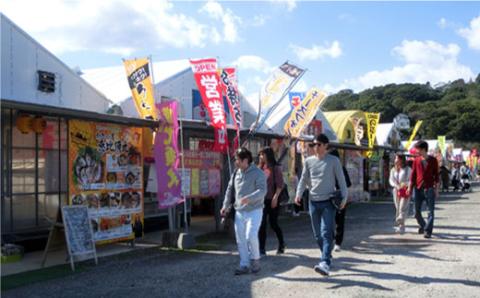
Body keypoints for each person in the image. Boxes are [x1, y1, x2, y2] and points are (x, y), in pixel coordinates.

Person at [295, 134, 348, 276]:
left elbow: (342, 181)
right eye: (313, 145)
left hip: (328, 203)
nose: (315, 147)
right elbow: (303, 179)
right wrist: (298, 194)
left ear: (326, 146)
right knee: (317, 235)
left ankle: (325, 262)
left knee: (326, 232)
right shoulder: (308, 161)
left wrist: (344, 198)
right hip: (313, 202)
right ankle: (327, 255)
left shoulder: (334, 161)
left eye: (318, 144)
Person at [221, 147, 267, 275]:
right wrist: (225, 205)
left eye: (237, 160)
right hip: (239, 211)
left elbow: (262, 191)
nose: (235, 162)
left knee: (250, 235)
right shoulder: (236, 173)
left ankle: (256, 260)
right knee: (240, 239)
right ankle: (244, 264)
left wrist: (250, 198)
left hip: (255, 210)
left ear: (245, 160)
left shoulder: (258, 173)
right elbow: (230, 190)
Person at [408, 140, 439, 239]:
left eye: (418, 149)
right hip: (418, 189)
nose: (416, 151)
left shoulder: (433, 160)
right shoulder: (416, 160)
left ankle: (427, 231)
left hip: (429, 188)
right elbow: (413, 176)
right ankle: (423, 225)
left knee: (430, 211)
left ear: (423, 149)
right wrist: (409, 187)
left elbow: (437, 176)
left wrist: (437, 190)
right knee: (416, 212)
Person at [258, 147, 285, 256]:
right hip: (262, 200)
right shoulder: (260, 168)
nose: (260, 157)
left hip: (273, 199)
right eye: (260, 155)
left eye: (262, 154)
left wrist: (275, 197)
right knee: (262, 224)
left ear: (267, 155)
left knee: (273, 224)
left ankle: (281, 244)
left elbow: (280, 185)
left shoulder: (275, 168)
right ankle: (262, 249)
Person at [329, 149, 352, 252]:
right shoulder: (328, 169)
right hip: (329, 197)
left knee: (339, 220)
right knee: (331, 220)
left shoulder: (341, 169)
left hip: (339, 197)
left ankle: (338, 242)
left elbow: (348, 184)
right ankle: (334, 240)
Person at [389, 154, 411, 234]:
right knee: (398, 207)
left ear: (401, 160)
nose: (395, 160)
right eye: (395, 158)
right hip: (396, 190)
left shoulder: (408, 169)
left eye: (396, 158)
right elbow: (391, 180)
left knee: (403, 207)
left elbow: (411, 180)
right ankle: (401, 226)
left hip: (405, 190)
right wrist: (396, 185)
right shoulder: (393, 170)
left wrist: (405, 184)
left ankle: (401, 219)